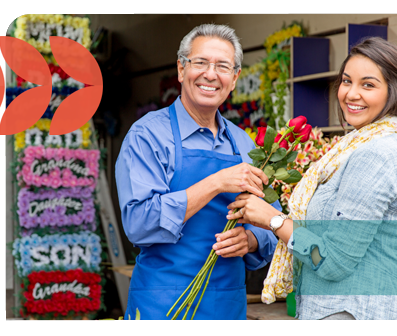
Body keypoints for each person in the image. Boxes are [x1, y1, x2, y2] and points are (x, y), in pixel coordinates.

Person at [227, 37, 397, 321]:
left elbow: (332, 262)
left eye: (368, 84)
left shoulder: (375, 154)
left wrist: (272, 219)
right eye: (346, 81)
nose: (352, 94)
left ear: (394, 93)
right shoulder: (360, 145)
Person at [115, 24, 279, 321]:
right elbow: (139, 223)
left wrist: (251, 240)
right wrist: (215, 183)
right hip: (162, 304)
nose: (210, 74)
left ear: (234, 78)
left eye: (223, 66)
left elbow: (272, 221)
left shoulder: (244, 142)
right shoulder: (148, 135)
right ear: (181, 69)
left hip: (227, 305)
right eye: (200, 62)